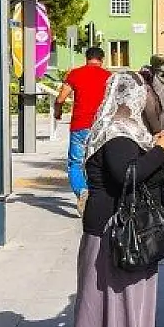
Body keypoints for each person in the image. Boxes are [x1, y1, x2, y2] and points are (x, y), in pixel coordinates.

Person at [67, 71, 164, 327]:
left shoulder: (114, 129)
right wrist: (160, 151)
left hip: (106, 227)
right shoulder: (118, 132)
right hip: (115, 232)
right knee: (120, 308)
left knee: (99, 307)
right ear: (135, 98)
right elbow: (128, 175)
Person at [55, 46, 111, 216]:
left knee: (75, 163)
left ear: (86, 58)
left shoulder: (75, 74)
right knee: (102, 162)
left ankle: (81, 191)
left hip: (80, 126)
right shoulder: (108, 76)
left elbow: (60, 98)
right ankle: (100, 198)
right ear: (102, 59)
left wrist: (57, 112)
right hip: (101, 128)